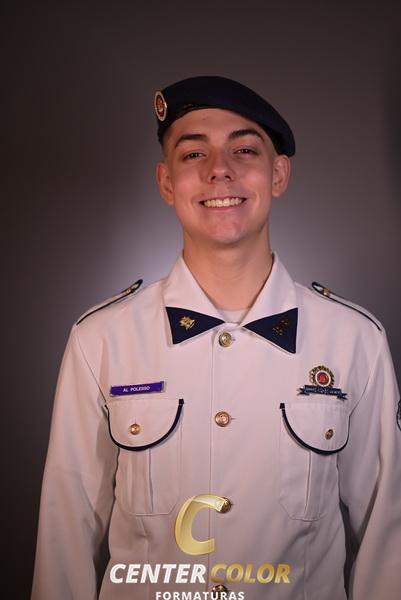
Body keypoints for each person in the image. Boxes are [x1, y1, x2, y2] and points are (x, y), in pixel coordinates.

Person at [31, 76, 401, 600]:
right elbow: (64, 534)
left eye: (244, 150)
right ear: (166, 182)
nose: (219, 170)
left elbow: (389, 540)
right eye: (193, 154)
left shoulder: (355, 341)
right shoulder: (101, 341)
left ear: (278, 174)